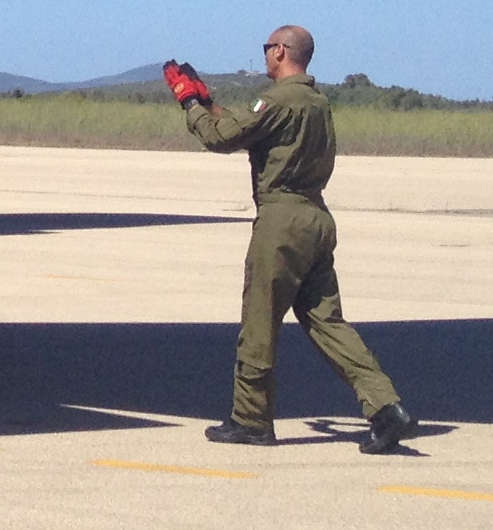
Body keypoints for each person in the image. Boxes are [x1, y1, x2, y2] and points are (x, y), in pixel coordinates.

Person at [164, 26, 415, 453]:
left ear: (281, 51)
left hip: (282, 222)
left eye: (266, 49)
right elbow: (250, 131)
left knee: (260, 321)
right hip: (316, 217)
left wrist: (189, 103)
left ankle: (250, 419)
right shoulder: (316, 102)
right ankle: (385, 406)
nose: (263, 56)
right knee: (327, 321)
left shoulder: (279, 99)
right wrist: (208, 103)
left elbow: (220, 137)